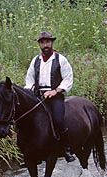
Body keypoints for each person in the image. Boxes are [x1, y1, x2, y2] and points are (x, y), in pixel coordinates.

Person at [24, 31, 75, 162]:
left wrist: (55, 91)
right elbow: (29, 80)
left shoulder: (60, 60)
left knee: (58, 120)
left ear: (52, 43)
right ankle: (30, 151)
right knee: (26, 120)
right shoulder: (35, 60)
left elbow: (68, 79)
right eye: (42, 42)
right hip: (38, 96)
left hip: (55, 96)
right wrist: (30, 92)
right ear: (39, 44)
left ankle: (66, 148)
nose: (45, 45)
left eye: (47, 42)